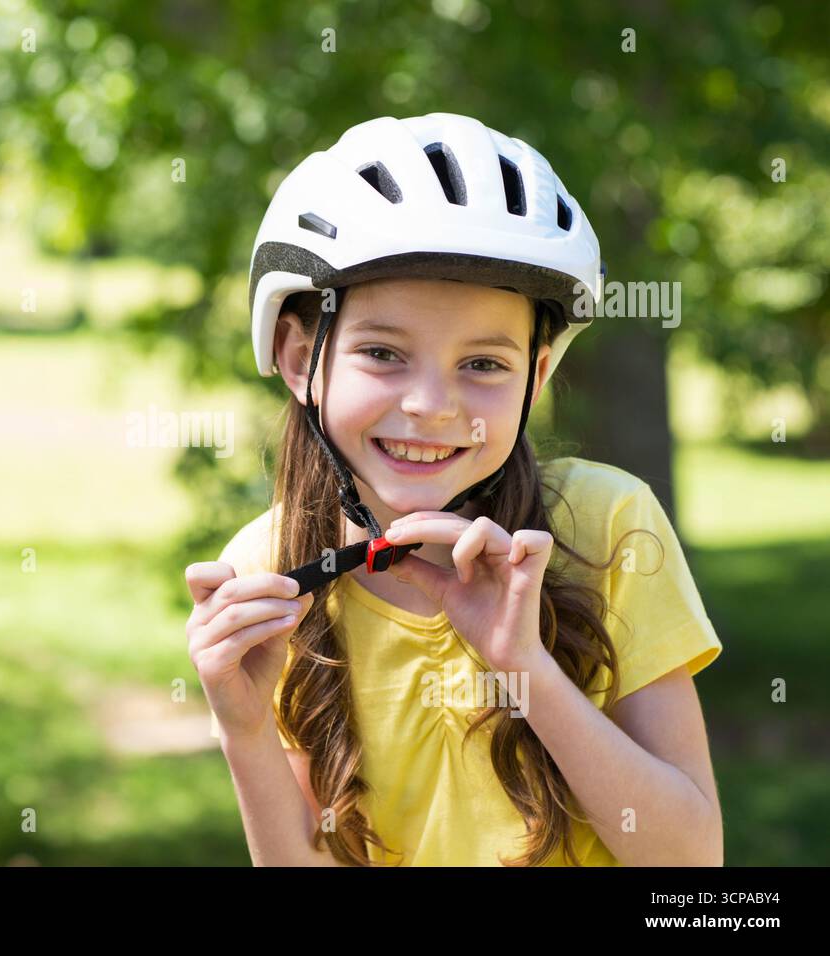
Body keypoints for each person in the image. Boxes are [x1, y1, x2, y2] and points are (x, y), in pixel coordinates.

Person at [186, 113, 724, 866]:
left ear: (536, 376)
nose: (432, 406)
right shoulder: (267, 572)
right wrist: (244, 729)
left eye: (483, 364)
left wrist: (526, 667)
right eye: (383, 352)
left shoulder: (608, 526)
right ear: (302, 356)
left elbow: (690, 865)